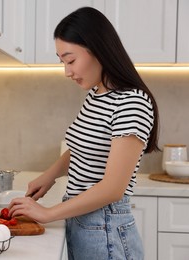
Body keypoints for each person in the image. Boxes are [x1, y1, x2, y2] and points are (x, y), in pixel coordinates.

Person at [9, 7, 159, 260]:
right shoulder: (97, 94)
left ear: (98, 50)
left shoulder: (132, 102)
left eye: (71, 60)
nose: (67, 72)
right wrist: (50, 175)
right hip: (84, 221)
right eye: (62, 62)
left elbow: (113, 189)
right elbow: (84, 146)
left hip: (106, 229)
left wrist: (47, 213)